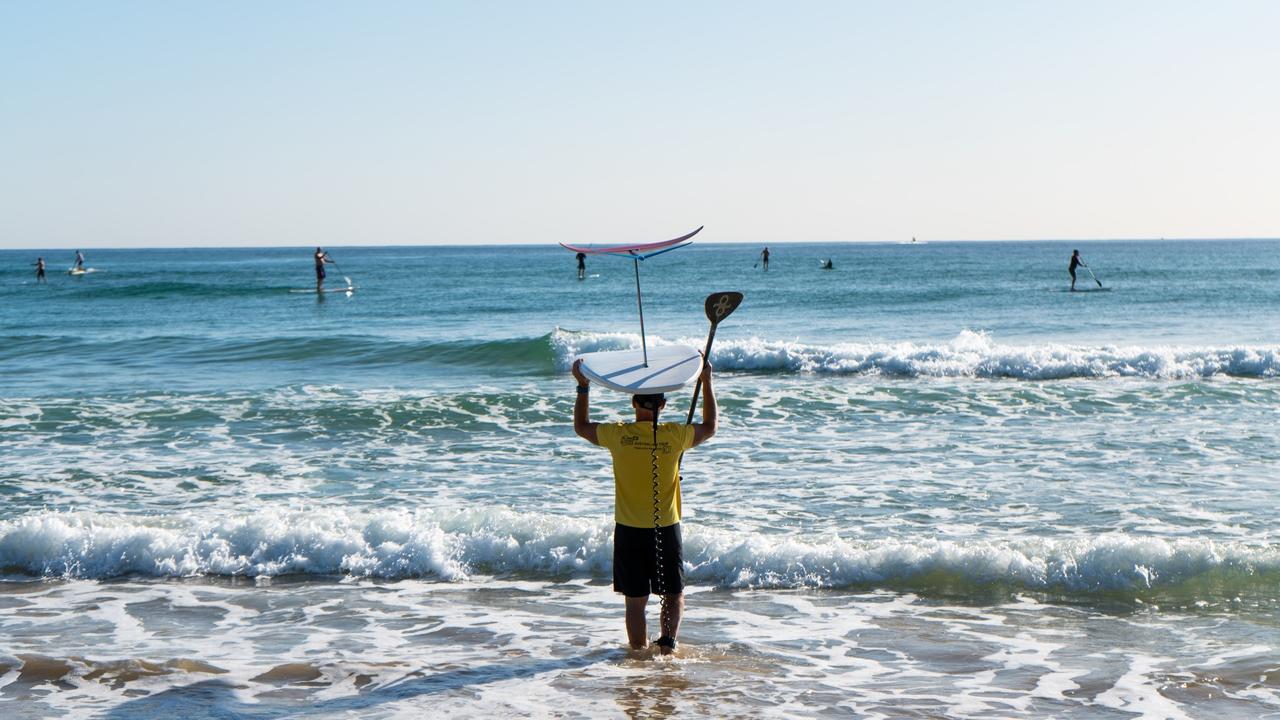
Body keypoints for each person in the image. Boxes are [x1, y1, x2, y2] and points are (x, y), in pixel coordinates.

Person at [571, 357, 717, 655]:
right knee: (673, 594)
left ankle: (637, 655)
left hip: (628, 530)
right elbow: (710, 426)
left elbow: (581, 426)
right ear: (662, 406)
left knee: (635, 600)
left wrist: (583, 388)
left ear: (634, 402)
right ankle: (667, 648)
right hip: (665, 527)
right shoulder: (675, 436)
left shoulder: (618, 435)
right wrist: (706, 382)